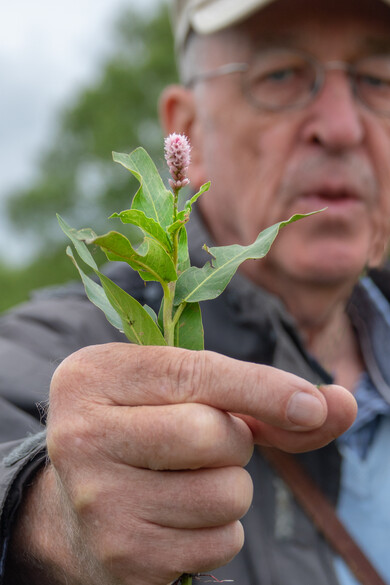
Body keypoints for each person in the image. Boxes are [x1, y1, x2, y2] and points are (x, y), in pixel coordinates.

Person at [2, 0, 390, 582]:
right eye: (280, 74)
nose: (340, 127)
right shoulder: (59, 344)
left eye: (378, 80)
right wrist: (43, 518)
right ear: (189, 130)